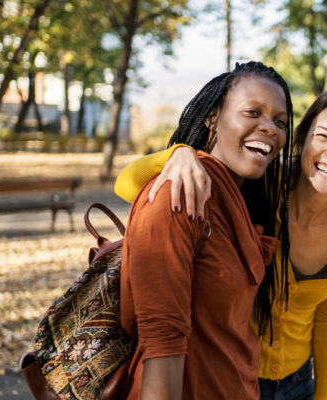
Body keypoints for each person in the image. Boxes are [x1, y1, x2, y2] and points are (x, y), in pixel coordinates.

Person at [116, 89, 327, 400]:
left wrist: (323, 396)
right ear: (302, 142)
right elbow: (125, 185)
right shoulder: (260, 187)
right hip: (232, 380)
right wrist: (180, 153)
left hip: (300, 383)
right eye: (323, 137)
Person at [119, 61, 294, 399]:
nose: (270, 128)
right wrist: (180, 152)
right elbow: (161, 343)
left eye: (280, 121)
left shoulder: (239, 202)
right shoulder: (178, 195)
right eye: (253, 112)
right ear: (213, 117)